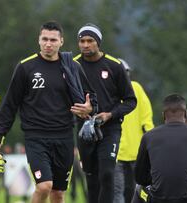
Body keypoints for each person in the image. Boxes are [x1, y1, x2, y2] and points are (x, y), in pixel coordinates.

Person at [0, 21, 97, 203]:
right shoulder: (25, 67)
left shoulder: (72, 67)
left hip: (64, 137)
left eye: (53, 40)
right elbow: (10, 105)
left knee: (58, 193)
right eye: (44, 39)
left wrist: (90, 108)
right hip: (36, 137)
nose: (48, 43)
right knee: (44, 185)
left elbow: (91, 97)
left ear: (61, 41)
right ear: (38, 40)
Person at [74, 23, 137, 203]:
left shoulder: (114, 66)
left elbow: (130, 101)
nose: (85, 44)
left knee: (107, 173)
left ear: (98, 42)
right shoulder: (73, 66)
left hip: (110, 129)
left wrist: (109, 114)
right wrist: (79, 111)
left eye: (90, 40)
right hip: (84, 130)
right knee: (91, 177)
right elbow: (64, 98)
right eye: (82, 41)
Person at [113, 58, 154, 203]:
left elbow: (146, 120)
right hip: (131, 151)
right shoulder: (135, 88)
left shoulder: (134, 88)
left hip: (122, 151)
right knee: (136, 190)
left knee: (121, 191)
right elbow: (147, 120)